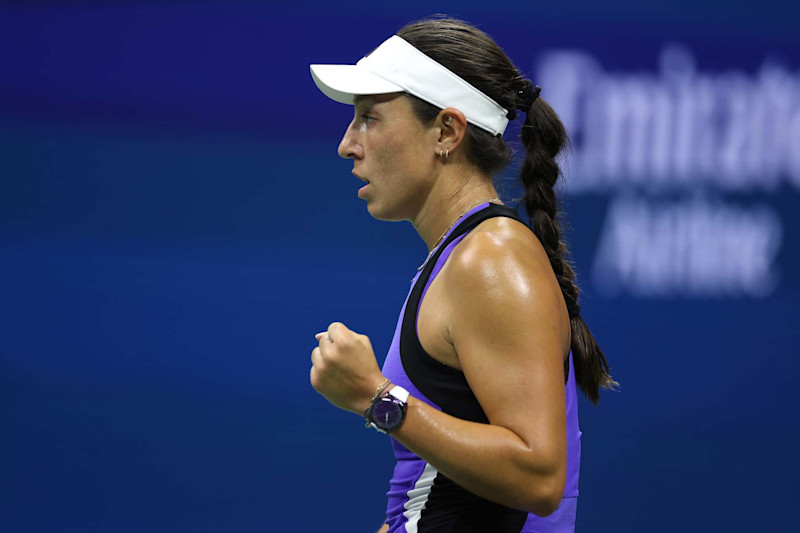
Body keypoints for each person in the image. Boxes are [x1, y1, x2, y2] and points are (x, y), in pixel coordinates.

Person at [308, 15, 616, 533]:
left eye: (369, 117)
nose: (347, 143)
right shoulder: (462, 256)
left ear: (447, 131)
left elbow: (539, 477)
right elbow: (428, 499)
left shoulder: (491, 260)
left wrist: (376, 398)